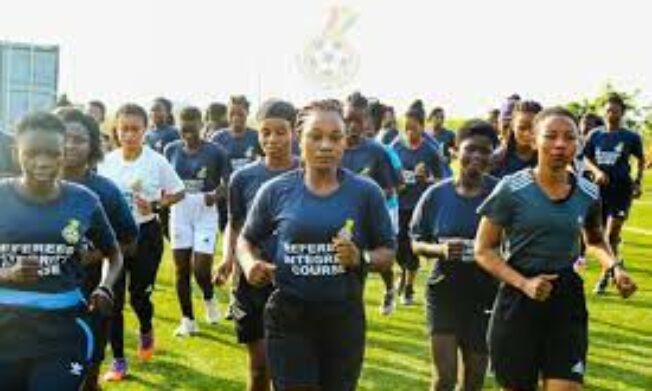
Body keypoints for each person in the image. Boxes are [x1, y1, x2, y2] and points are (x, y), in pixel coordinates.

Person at [474, 107, 637, 391]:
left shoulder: (588, 192)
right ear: (534, 140)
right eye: (550, 136)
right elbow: (483, 249)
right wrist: (524, 283)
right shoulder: (511, 189)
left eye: (569, 137)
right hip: (518, 300)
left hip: (566, 300)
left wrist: (614, 267)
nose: (560, 144)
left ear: (578, 144)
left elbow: (595, 240)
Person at [238, 99, 396, 391]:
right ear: (300, 139)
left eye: (335, 137)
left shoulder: (366, 193)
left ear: (345, 142)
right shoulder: (275, 191)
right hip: (290, 316)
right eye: (316, 136)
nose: (326, 145)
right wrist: (249, 264)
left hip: (343, 318)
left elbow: (388, 253)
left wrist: (361, 257)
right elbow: (246, 239)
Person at [0, 112, 123, 390]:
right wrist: (8, 273)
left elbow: (114, 252)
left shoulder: (84, 200)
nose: (42, 162)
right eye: (31, 153)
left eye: (52, 153)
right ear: (15, 151)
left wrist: (105, 286)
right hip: (4, 330)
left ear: (63, 152)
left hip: (63, 329)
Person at [215, 99, 300, 391]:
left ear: (295, 133)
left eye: (280, 132)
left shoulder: (308, 174)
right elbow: (235, 224)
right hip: (251, 281)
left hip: (296, 281)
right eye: (265, 132)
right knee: (259, 368)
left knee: (290, 370)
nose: (272, 140)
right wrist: (228, 259)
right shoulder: (243, 177)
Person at [98, 103, 185, 381]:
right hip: (115, 238)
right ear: (116, 130)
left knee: (139, 297)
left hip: (146, 236)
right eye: (124, 129)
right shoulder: (107, 162)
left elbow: (179, 192)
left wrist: (156, 205)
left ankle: (146, 328)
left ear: (145, 131)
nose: (129, 134)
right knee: (114, 298)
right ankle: (119, 361)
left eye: (135, 129)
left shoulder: (155, 161)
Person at [411, 119, 498, 391]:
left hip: (485, 293)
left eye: (485, 151)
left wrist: (489, 251)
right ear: (455, 150)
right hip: (444, 292)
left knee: (473, 381)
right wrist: (440, 249)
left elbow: (516, 241)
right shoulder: (436, 194)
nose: (477, 157)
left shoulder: (500, 194)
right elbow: (416, 242)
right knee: (443, 378)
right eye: (471, 149)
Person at [58, 108, 139, 391]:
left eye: (78, 139)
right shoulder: (32, 188)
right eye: (63, 137)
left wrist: (93, 257)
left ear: (93, 145)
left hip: (93, 295)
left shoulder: (106, 192)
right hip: (43, 299)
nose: (69, 145)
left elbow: (129, 241)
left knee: (87, 373)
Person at [164, 106, 230, 336]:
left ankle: (209, 297)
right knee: (182, 269)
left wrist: (217, 195)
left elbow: (228, 182)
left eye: (193, 129)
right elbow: (164, 181)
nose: (188, 134)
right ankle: (187, 320)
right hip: (180, 210)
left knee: (201, 269)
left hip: (205, 209)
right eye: (184, 130)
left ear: (202, 126)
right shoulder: (170, 149)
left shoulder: (216, 151)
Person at [340, 92, 399, 315]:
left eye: (358, 120)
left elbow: (390, 188)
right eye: (348, 119)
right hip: (341, 218)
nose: (353, 126)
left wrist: (365, 195)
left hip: (372, 217)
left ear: (367, 121)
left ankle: (390, 288)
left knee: (378, 261)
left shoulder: (377, 151)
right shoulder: (334, 148)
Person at [583, 94, 646, 294]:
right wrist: (596, 171)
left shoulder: (630, 137)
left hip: (621, 190)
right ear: (604, 112)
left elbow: (641, 160)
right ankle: (615, 263)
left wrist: (637, 182)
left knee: (611, 234)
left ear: (622, 113)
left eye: (616, 111)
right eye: (608, 110)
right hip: (599, 191)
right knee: (599, 236)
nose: (612, 114)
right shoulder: (595, 135)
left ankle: (605, 277)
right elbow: (585, 157)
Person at [392, 100, 443, 305]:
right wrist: (397, 183)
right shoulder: (396, 146)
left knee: (412, 246)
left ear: (422, 126)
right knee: (398, 246)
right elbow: (389, 174)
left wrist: (425, 180)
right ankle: (403, 273)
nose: (410, 132)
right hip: (399, 204)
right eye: (406, 128)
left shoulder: (431, 150)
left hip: (418, 206)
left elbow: (440, 180)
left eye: (413, 128)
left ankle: (410, 287)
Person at [491, 100, 542, 178]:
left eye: (533, 128)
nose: (527, 133)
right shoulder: (496, 160)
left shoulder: (547, 159)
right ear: (512, 127)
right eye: (522, 128)